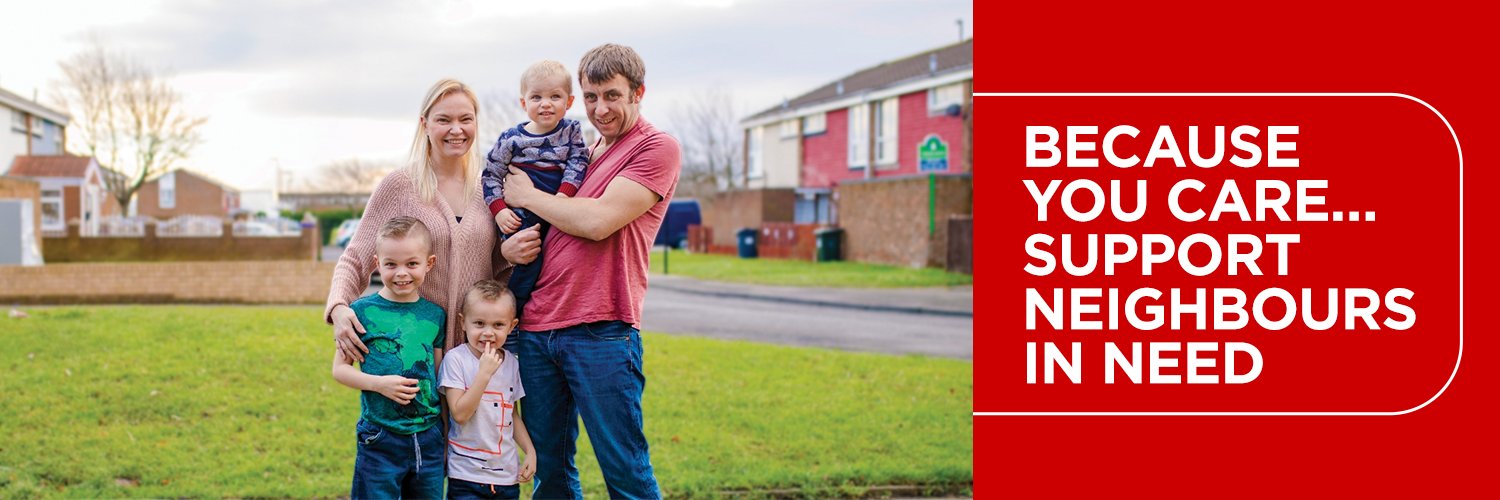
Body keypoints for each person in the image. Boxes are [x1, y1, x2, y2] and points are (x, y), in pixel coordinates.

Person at [499, 43, 680, 499]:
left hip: (601, 330)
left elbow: (598, 222)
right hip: (538, 329)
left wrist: (527, 196)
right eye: (592, 96)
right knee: (551, 474)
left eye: (613, 96)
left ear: (639, 92)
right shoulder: (586, 148)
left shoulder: (656, 149)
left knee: (625, 471)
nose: (601, 109)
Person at [328, 78, 498, 363]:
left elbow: (502, 270)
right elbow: (356, 257)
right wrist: (338, 307)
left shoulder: (490, 189)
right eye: (444, 120)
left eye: (465, 119)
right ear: (425, 124)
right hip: (417, 353)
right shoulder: (400, 186)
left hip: (477, 359)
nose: (456, 129)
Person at [331, 216, 447, 499]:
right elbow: (340, 370)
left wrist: (445, 430)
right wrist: (379, 384)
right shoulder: (361, 312)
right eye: (391, 264)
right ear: (377, 264)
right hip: (380, 435)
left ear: (428, 264)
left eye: (412, 264)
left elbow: (439, 374)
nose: (401, 273)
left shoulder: (435, 315)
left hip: (429, 435)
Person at [481, 60, 590, 317]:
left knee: (559, 261)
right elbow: (491, 174)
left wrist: (563, 196)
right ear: (524, 103)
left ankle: (548, 310)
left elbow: (578, 162)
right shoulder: (511, 139)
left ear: (569, 102)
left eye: (555, 96)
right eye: (536, 97)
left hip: (557, 208)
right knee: (529, 261)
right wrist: (498, 211)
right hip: (520, 215)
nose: (546, 103)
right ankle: (511, 312)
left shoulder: (571, 132)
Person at [440, 280, 536, 499]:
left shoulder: (512, 363)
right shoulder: (456, 360)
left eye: (498, 325)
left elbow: (511, 414)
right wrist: (484, 374)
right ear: (463, 323)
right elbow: (460, 414)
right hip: (466, 475)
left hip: (506, 475)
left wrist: (529, 451)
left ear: (512, 326)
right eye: (479, 323)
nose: (488, 333)